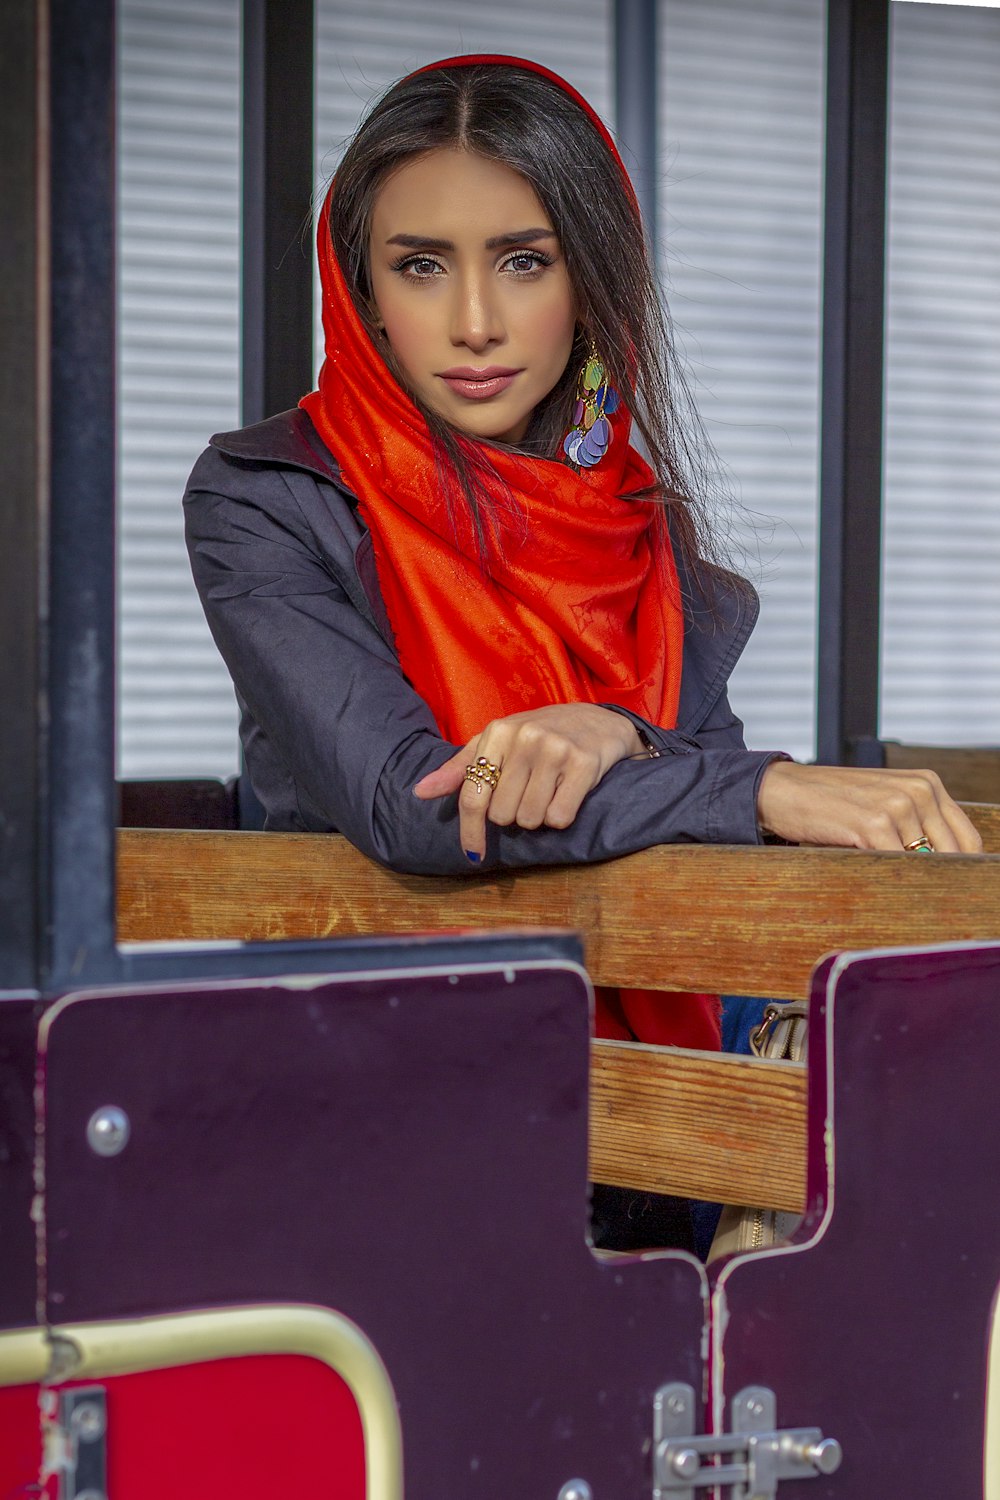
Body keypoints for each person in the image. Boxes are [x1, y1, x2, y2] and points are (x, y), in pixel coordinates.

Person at [183, 56, 980, 1244]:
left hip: (660, 1128)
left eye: (523, 260)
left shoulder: (638, 531)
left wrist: (612, 730)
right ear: (358, 287)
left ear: (589, 274)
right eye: (419, 266)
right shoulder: (268, 497)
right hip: (387, 1123)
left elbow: (689, 798)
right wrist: (752, 780)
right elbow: (421, 802)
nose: (472, 324)